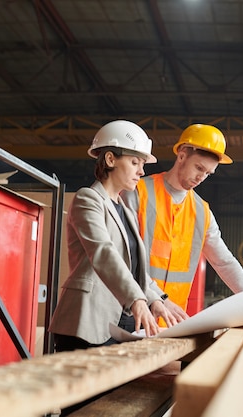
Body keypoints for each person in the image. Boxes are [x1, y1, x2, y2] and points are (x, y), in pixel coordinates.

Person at [49, 120, 177, 354]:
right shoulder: (87, 199)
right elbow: (103, 253)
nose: (141, 171)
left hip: (119, 323)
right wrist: (137, 300)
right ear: (110, 159)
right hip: (87, 322)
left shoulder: (125, 211)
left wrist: (156, 300)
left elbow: (132, 268)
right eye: (134, 162)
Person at [123, 123, 243, 323]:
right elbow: (124, 257)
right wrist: (157, 298)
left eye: (208, 173)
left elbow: (224, 262)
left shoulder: (202, 212)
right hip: (130, 312)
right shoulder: (137, 192)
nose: (201, 178)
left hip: (170, 321)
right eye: (199, 168)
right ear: (182, 155)